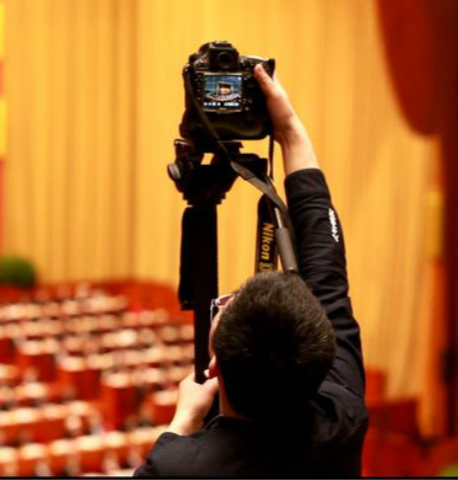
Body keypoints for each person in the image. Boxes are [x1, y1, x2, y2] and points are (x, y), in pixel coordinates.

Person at [134, 63, 368, 477]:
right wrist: (290, 130)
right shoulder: (341, 421)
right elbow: (326, 263)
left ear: (214, 369)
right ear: (322, 354)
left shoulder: (177, 469)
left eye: (226, 306)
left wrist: (181, 424)